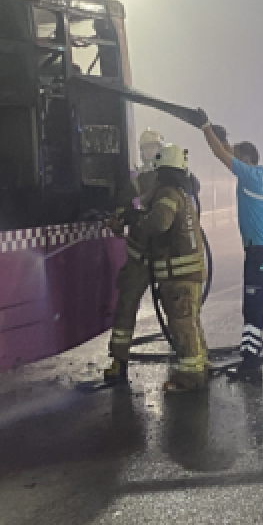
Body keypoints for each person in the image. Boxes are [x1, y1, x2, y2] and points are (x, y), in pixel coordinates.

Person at [198, 117, 263, 382]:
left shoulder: (247, 175)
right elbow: (228, 151)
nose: (234, 158)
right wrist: (223, 139)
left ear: (245, 159)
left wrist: (206, 129)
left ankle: (250, 366)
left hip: (258, 254)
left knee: (253, 308)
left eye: (238, 156)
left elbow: (221, 155)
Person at [107, 144, 210, 393]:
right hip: (147, 260)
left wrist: (135, 218)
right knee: (181, 316)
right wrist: (121, 213)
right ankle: (120, 360)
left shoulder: (170, 192)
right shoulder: (173, 187)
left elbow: (159, 222)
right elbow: (128, 195)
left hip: (172, 268)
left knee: (182, 319)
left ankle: (191, 371)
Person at [103, 128, 168, 385]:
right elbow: (121, 209)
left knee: (177, 307)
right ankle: (119, 360)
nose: (150, 152)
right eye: (147, 148)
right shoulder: (136, 181)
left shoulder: (171, 178)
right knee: (126, 305)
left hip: (164, 254)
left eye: (154, 147)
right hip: (139, 254)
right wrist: (120, 220)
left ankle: (189, 356)